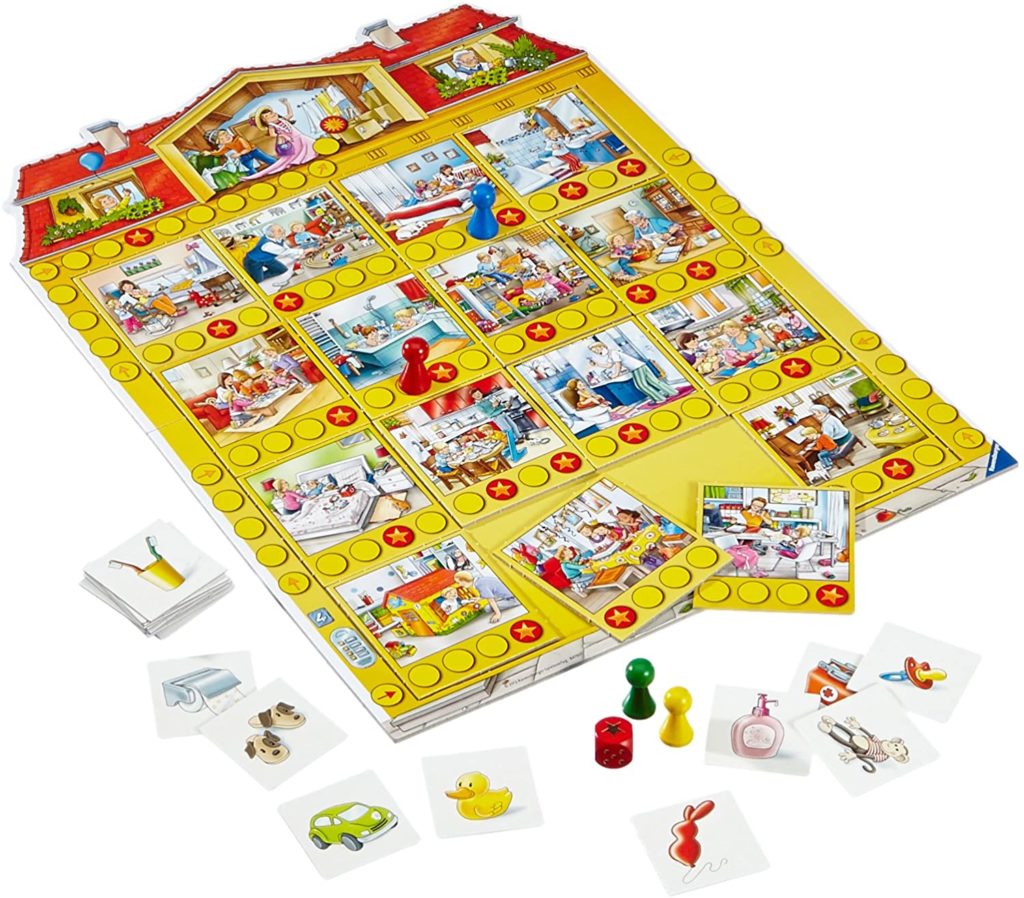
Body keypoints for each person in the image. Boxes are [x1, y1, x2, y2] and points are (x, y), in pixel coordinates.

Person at [586, 341, 676, 403]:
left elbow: (618, 364)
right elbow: (609, 365)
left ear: (601, 347)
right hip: (639, 366)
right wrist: (597, 364)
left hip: (636, 368)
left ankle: (659, 398)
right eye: (594, 352)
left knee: (641, 385)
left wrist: (616, 374)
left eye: (596, 350)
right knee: (653, 381)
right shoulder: (610, 354)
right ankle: (672, 392)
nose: (596, 352)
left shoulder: (613, 353)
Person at [247, 100, 318, 177]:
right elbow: (272, 134)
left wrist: (287, 104)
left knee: (310, 145)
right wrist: (282, 136)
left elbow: (290, 114)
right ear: (265, 121)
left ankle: (311, 157)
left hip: (300, 136)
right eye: (267, 116)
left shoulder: (282, 120)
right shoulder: (271, 126)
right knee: (298, 153)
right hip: (292, 140)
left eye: (271, 113)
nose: (271, 115)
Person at [242, 223, 302, 288]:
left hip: (267, 259)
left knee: (282, 269)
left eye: (282, 228)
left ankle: (257, 275)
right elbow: (284, 251)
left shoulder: (277, 239)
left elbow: (286, 249)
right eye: (279, 230)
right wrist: (301, 251)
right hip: (253, 261)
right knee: (257, 280)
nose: (283, 230)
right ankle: (251, 276)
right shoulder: (267, 244)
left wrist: (297, 257)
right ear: (272, 233)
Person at [201, 128, 276, 176]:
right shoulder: (226, 145)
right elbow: (220, 152)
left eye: (226, 135)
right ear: (220, 143)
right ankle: (254, 176)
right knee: (248, 168)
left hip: (253, 151)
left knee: (266, 158)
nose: (226, 138)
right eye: (222, 139)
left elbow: (248, 148)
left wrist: (239, 154)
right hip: (244, 156)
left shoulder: (239, 139)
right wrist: (210, 153)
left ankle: (275, 164)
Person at [803, 403, 855, 469]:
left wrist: (811, 447)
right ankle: (828, 462)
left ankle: (828, 465)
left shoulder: (826, 423)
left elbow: (827, 437)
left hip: (841, 438)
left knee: (821, 453)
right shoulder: (830, 417)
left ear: (821, 412)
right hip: (845, 434)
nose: (814, 416)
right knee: (823, 450)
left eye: (814, 414)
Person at [453, 571, 518, 623]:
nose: (459, 584)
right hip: (511, 593)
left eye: (459, 582)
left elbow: (491, 600)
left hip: (513, 599)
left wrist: (497, 614)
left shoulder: (480, 585)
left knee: (487, 608)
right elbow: (489, 591)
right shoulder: (479, 580)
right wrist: (479, 598)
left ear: (464, 580)